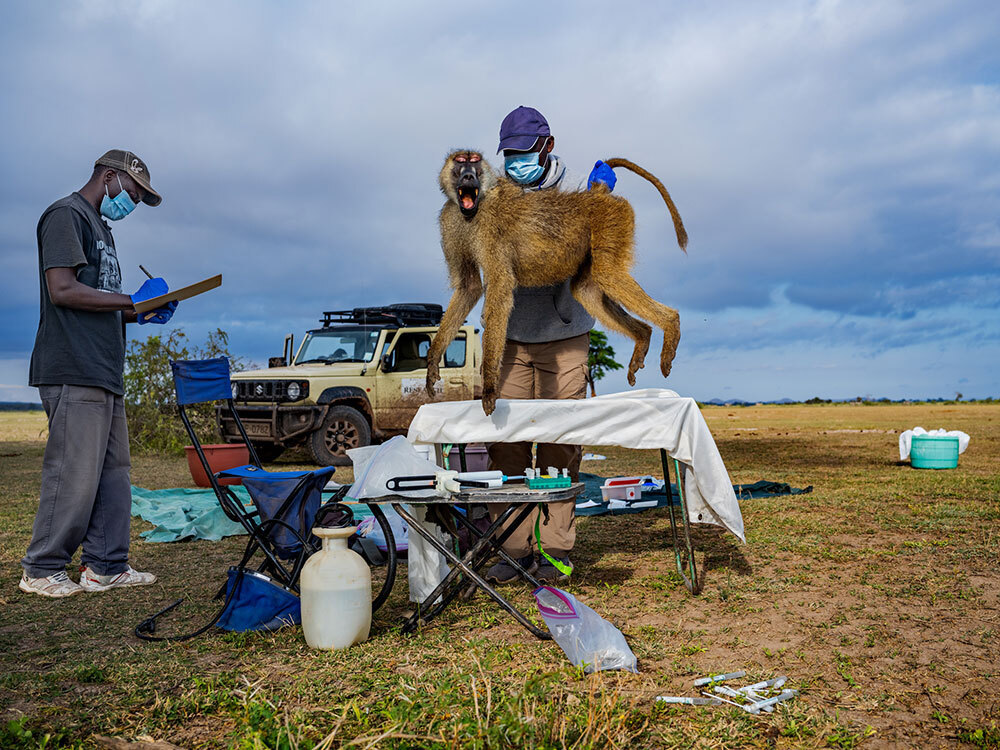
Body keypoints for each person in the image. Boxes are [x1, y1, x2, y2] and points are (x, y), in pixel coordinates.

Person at [19, 150, 178, 598]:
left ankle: (106, 565)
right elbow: (64, 290)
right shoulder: (65, 216)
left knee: (113, 472)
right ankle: (41, 568)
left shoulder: (102, 230)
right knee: (75, 471)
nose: (131, 205)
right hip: (72, 363)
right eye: (131, 193)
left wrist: (140, 313)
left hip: (105, 368)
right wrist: (131, 300)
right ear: (109, 177)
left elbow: (101, 299)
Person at [485, 107, 615, 584]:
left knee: (560, 446)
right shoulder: (497, 197)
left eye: (524, 152)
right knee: (508, 445)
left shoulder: (578, 190)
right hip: (512, 339)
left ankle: (555, 549)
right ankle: (513, 549)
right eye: (510, 154)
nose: (517, 161)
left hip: (565, 336)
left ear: (547, 145)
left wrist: (600, 199)